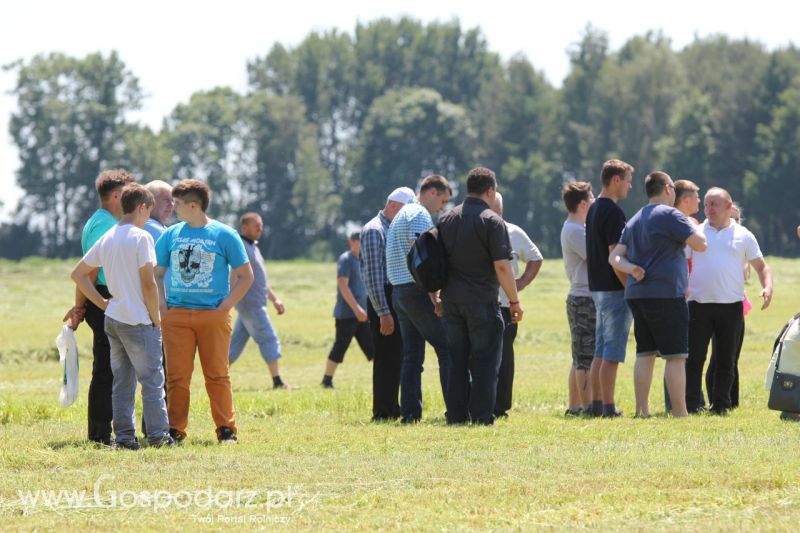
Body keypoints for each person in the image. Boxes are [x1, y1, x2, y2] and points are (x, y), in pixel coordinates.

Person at [71, 184, 173, 449]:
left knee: (122, 383)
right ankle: (159, 436)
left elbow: (79, 274)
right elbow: (149, 284)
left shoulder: (108, 236)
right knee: (152, 381)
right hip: (139, 319)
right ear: (141, 207)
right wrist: (156, 317)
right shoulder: (141, 238)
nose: (146, 218)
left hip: (114, 319)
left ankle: (125, 438)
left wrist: (103, 302)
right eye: (147, 212)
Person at [154, 179, 254, 443]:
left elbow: (246, 276)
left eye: (177, 204)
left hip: (213, 316)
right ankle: (175, 430)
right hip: (176, 317)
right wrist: (163, 306)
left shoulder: (225, 235)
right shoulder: (171, 235)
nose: (173, 209)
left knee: (218, 375)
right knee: (176, 378)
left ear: (194, 205)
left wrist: (225, 306)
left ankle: (226, 429)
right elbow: (157, 272)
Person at [609, 171, 707, 418]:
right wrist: (694, 227)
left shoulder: (634, 219)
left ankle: (642, 410)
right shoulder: (671, 214)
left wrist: (632, 269)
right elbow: (701, 244)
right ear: (666, 189)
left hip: (637, 294)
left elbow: (615, 257)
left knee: (645, 353)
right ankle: (680, 412)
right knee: (676, 356)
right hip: (666, 293)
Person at [438, 167, 523, 425]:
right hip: (482, 302)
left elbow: (438, 263)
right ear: (489, 190)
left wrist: (438, 297)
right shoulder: (492, 221)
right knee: (485, 362)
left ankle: (456, 415)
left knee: (457, 361)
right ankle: (482, 416)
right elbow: (501, 266)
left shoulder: (447, 219)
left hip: (451, 302)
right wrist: (515, 300)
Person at [63, 169, 136, 445]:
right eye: (129, 192)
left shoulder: (102, 221)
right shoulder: (105, 226)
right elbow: (89, 272)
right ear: (117, 195)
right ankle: (99, 435)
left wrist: (80, 306)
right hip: (104, 297)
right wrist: (92, 305)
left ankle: (103, 432)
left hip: (99, 297)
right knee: (107, 369)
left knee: (109, 367)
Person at [685, 187, 772, 415]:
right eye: (706, 204)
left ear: (729, 206)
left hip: (730, 306)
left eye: (714, 204)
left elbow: (762, 267)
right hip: (698, 304)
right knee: (695, 358)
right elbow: (681, 264)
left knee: (726, 360)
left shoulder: (744, 235)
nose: (709, 209)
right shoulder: (695, 233)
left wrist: (767, 286)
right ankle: (692, 404)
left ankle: (721, 405)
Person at [386, 175, 453, 423]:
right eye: (443, 200)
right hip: (415, 291)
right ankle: (455, 409)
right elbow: (423, 260)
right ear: (432, 192)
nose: (442, 208)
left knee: (412, 357)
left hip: (399, 292)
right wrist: (434, 297)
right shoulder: (420, 215)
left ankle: (410, 413)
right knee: (446, 348)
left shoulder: (403, 214)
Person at [360, 187, 416, 421]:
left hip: (392, 296)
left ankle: (393, 406)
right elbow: (372, 276)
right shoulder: (375, 230)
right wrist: (383, 312)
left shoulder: (390, 227)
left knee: (397, 356)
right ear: (393, 205)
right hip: (383, 298)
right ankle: (383, 411)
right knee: (386, 358)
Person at [585, 159, 634, 418]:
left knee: (600, 350)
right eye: (627, 180)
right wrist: (629, 287)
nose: (630, 186)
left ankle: (595, 403)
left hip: (597, 289)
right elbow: (615, 257)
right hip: (614, 289)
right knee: (612, 353)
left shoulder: (593, 208)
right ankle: (608, 406)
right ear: (615, 180)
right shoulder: (613, 212)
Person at [491, 192, 543, 418]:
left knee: (504, 357)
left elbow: (535, 258)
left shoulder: (513, 232)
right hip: (480, 302)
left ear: (500, 210)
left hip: (505, 304)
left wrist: (519, 284)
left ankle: (500, 405)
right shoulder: (472, 230)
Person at [228, 212, 293, 389]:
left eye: (261, 225)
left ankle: (217, 376)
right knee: (269, 338)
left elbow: (259, 281)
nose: (260, 228)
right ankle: (277, 382)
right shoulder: (240, 246)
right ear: (244, 227)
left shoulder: (253, 247)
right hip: (251, 305)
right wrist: (229, 301)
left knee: (235, 344)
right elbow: (233, 275)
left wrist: (275, 299)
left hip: (252, 305)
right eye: (256, 225)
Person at [560, 182, 596, 416]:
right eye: (591, 199)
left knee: (579, 356)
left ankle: (575, 406)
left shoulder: (574, 227)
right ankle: (587, 406)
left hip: (581, 297)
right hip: (584, 299)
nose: (594, 202)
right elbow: (598, 254)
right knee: (585, 357)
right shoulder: (575, 230)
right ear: (583, 203)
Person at [322, 232, 374, 388]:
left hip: (363, 314)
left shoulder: (364, 260)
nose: (361, 244)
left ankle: (383, 379)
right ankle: (327, 380)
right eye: (358, 241)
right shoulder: (346, 260)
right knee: (341, 346)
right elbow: (343, 285)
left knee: (373, 347)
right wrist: (356, 308)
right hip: (347, 314)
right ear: (351, 242)